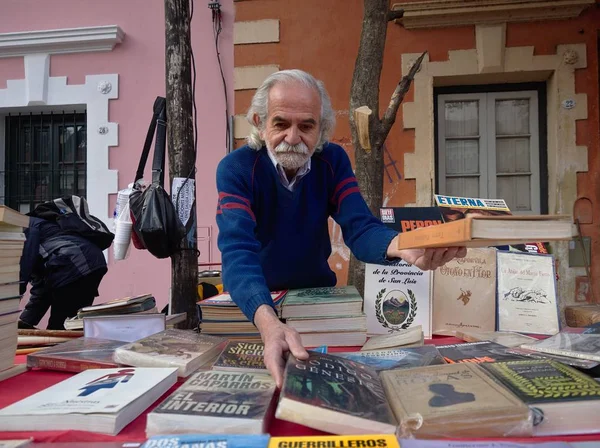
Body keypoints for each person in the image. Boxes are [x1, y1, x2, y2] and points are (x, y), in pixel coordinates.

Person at [215, 69, 466, 386]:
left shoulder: (331, 161)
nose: (293, 138)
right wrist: (269, 324)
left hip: (317, 305)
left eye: (307, 126)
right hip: (256, 304)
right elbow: (238, 250)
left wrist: (404, 246)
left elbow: (360, 229)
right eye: (281, 123)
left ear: (322, 130)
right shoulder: (236, 168)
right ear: (259, 123)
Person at [19, 216, 108, 330]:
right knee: (72, 324)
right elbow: (42, 286)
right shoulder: (39, 242)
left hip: (74, 264)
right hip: (89, 262)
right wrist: (26, 321)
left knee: (61, 327)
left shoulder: (22, 228)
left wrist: (14, 293)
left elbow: (24, 267)